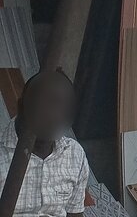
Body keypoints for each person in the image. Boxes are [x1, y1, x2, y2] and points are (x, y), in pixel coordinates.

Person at [0, 70, 88, 217]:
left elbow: (75, 213)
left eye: (63, 107)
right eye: (47, 104)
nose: (54, 115)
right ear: (22, 106)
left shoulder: (74, 154)